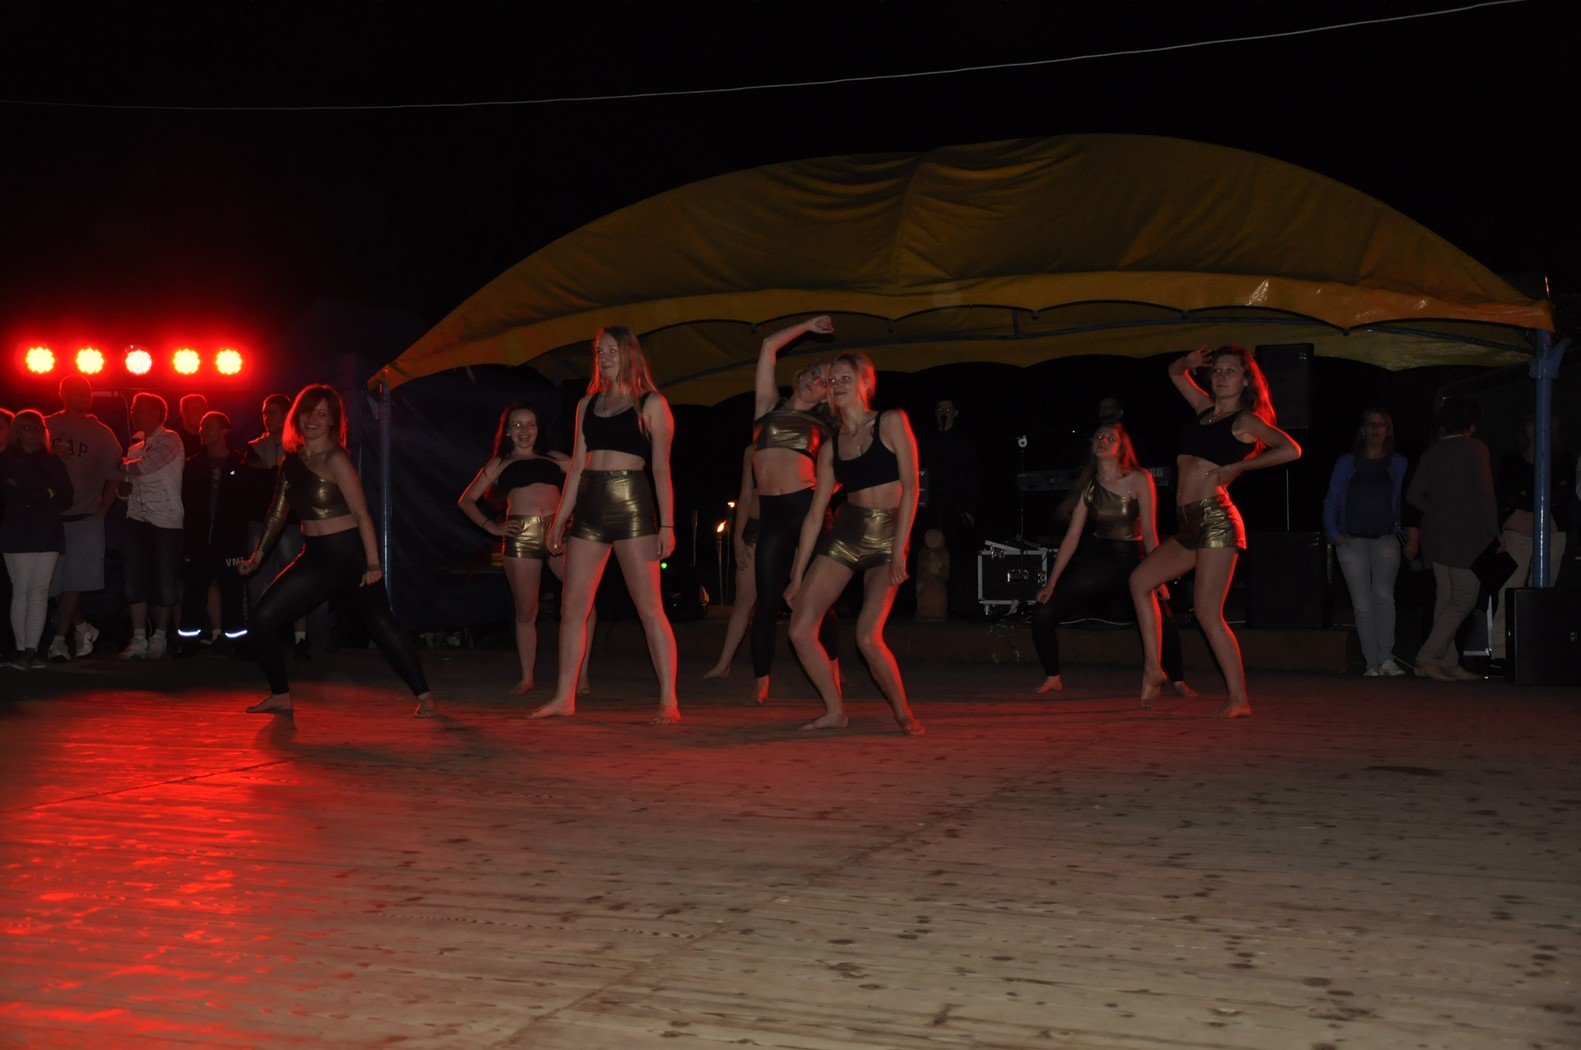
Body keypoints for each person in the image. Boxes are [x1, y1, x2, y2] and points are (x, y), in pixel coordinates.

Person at [238, 384, 437, 717]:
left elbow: (361, 514)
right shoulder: (291, 461)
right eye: (307, 412)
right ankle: (280, 695)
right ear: (296, 416)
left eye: (322, 414)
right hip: (315, 557)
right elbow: (276, 513)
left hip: (349, 554)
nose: (313, 419)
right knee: (261, 620)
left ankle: (425, 696)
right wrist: (257, 557)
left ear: (332, 421)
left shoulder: (336, 459)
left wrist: (372, 564)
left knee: (381, 624)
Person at [1129, 345, 1301, 718]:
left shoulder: (1245, 421)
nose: (1222, 376)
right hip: (1188, 523)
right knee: (1140, 581)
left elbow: (1290, 450)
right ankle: (1153, 669)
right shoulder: (1204, 409)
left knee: (1207, 612)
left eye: (1231, 370)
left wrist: (1238, 468)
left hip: (1216, 520)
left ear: (1246, 380)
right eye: (1218, 370)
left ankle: (1239, 700)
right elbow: (1175, 373)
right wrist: (1188, 363)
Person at [532, 327, 679, 724]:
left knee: (650, 607)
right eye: (600, 351)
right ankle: (564, 696)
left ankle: (669, 700)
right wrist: (559, 521)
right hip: (590, 506)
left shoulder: (651, 403)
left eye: (612, 350)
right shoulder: (587, 404)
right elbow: (577, 466)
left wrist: (668, 525)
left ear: (630, 353)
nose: (605, 357)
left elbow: (662, 469)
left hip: (631, 503)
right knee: (573, 607)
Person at [786, 351, 925, 735]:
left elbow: (912, 488)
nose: (837, 385)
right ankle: (835, 710)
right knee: (799, 630)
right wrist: (797, 576)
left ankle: (903, 711)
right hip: (849, 532)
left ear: (865, 383)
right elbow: (815, 514)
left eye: (845, 378)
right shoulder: (831, 446)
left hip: (889, 535)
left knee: (867, 636)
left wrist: (900, 549)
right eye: (832, 381)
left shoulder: (891, 421)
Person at [1031, 422, 1194, 696]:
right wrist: (1051, 583)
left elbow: (1151, 533)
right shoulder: (1090, 487)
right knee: (1042, 613)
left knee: (1164, 619)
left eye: (1110, 437)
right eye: (1098, 436)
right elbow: (1071, 538)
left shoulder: (1140, 479)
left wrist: (1159, 578)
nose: (1102, 440)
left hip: (1133, 558)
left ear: (1121, 448)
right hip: (1099, 558)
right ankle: (1053, 677)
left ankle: (1177, 680)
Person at [458, 403, 591, 695]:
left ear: (538, 429)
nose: (524, 431)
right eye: (517, 425)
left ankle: (580, 676)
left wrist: (573, 516)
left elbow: (590, 477)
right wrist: (491, 526)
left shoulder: (555, 458)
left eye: (530, 424)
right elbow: (466, 500)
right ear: (507, 431)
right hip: (521, 535)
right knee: (526, 611)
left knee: (583, 600)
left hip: (557, 532)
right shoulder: (499, 463)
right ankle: (527, 677)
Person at [741, 317, 840, 703]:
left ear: (828, 397)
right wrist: (808, 326)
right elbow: (768, 346)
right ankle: (761, 678)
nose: (817, 379)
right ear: (801, 375)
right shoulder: (767, 407)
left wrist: (827, 490)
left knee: (817, 600)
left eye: (826, 381)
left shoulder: (824, 426)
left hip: (805, 510)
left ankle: (832, 669)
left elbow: (846, 468)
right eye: (815, 372)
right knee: (767, 600)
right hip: (771, 514)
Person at [1406, 395, 1498, 682]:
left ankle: (1447, 661)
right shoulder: (1476, 448)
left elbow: (1413, 496)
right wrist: (1494, 532)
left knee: (1446, 597)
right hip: (1464, 534)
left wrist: (1437, 511)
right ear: (1471, 424)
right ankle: (1427, 656)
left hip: (1435, 533)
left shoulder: (1432, 452)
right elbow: (1485, 493)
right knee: (1465, 596)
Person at [1323, 408, 1415, 677]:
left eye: (1381, 425)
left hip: (1385, 539)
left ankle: (1386, 658)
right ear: (1363, 430)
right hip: (1351, 541)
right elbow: (1332, 498)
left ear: (1388, 431)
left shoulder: (1398, 463)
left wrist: (1409, 536)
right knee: (1362, 603)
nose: (1376, 429)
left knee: (1384, 597)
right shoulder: (1347, 462)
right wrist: (1334, 534)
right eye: (1371, 424)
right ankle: (1371, 662)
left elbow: (1406, 500)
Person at [44, 375, 122, 661]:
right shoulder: (46, 425)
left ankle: (59, 642)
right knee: (50, 584)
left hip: (86, 517)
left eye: (88, 390)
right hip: (49, 518)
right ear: (63, 394)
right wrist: (50, 452)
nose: (85, 394)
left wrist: (101, 513)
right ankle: (82, 627)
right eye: (77, 390)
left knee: (75, 581)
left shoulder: (101, 432)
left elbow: (115, 476)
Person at [1491, 411, 1573, 664]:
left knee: (1544, 591)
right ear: (1524, 429)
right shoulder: (1512, 460)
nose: (1537, 429)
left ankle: (1537, 650)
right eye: (1531, 424)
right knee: (1509, 589)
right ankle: (1501, 651)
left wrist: (1533, 497)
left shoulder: (1562, 459)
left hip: (1553, 533)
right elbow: (1508, 494)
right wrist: (1538, 499)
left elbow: (1564, 493)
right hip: (1517, 532)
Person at [241, 393, 312, 660]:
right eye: (264, 413)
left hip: (291, 523)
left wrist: (268, 471)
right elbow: (252, 480)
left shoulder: (299, 447)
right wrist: (269, 472)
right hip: (260, 520)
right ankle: (261, 636)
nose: (266, 417)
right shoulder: (254, 447)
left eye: (272, 412)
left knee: (296, 580)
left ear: (286, 415)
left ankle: (300, 638)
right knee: (258, 580)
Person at [1, 410, 73, 669]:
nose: (34, 433)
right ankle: (21, 649)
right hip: (17, 531)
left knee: (40, 591)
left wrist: (27, 491)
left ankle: (31, 650)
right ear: (17, 432)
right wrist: (45, 493)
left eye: (38, 428)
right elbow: (8, 495)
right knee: (21, 589)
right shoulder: (6, 460)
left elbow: (66, 496)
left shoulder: (52, 461)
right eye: (27, 428)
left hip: (46, 531)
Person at [117, 393, 185, 660]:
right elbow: (126, 487)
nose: (134, 413)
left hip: (165, 520)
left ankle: (159, 637)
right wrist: (123, 488)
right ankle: (138, 638)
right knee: (134, 580)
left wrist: (119, 466)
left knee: (165, 581)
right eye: (134, 409)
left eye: (141, 409)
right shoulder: (134, 449)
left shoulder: (171, 439)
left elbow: (147, 466)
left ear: (158, 413)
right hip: (136, 519)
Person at [178, 411, 249, 653]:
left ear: (224, 431)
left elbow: (247, 503)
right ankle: (188, 642)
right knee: (193, 591)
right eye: (201, 426)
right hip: (198, 540)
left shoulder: (240, 463)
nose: (202, 431)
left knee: (233, 593)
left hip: (230, 541)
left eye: (208, 426)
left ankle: (236, 643)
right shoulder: (192, 465)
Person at [917, 396, 981, 617]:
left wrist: (971, 509)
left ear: (955, 413)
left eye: (947, 408)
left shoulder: (964, 443)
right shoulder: (928, 442)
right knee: (928, 553)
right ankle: (927, 605)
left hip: (957, 507)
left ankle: (958, 606)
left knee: (956, 555)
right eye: (939, 409)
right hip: (931, 506)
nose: (943, 412)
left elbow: (973, 477)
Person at [703, 446, 760, 681]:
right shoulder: (753, 449)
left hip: (790, 528)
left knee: (807, 598)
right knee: (743, 599)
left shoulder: (805, 436)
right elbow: (745, 494)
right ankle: (724, 664)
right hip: (756, 527)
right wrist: (737, 537)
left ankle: (832, 665)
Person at [177, 393, 208, 458]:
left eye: (204, 410)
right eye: (195, 410)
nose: (201, 414)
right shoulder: (175, 442)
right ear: (183, 413)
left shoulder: (210, 442)